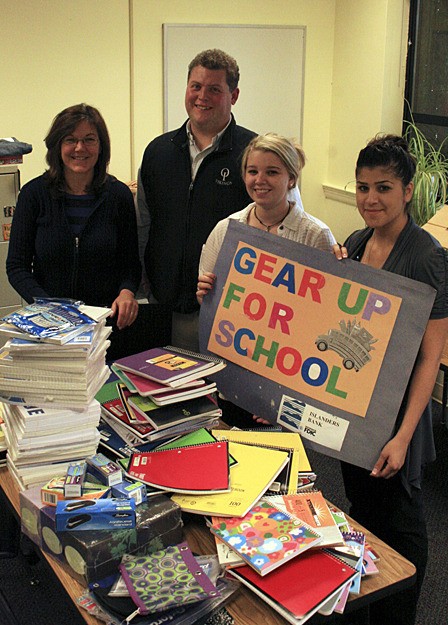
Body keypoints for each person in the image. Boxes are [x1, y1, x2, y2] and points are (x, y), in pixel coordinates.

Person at [333, 134, 448, 625]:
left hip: (400, 415)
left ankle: (400, 614)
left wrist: (403, 436)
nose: (370, 199)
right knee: (363, 511)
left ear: (408, 191)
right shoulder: (358, 242)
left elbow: (430, 357)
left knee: (405, 526)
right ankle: (366, 606)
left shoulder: (425, 256)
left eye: (383, 187)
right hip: (360, 409)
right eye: (362, 188)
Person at [197, 132, 336, 427]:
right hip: (235, 368)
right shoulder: (226, 230)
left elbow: (324, 319)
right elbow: (209, 300)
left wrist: (287, 393)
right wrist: (205, 292)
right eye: (252, 171)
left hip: (290, 375)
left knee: (281, 461)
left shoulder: (314, 235)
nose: (260, 180)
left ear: (291, 178)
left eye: (272, 172)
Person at [138, 48, 256, 352]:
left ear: (234, 95)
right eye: (196, 86)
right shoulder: (158, 152)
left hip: (228, 311)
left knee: (215, 395)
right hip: (162, 304)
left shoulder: (254, 153)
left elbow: (281, 222)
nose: (202, 96)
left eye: (214, 89)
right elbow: (143, 223)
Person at [6, 103, 141, 360]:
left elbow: (130, 264)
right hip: (49, 331)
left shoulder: (119, 196)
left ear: (101, 147)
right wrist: (50, 308)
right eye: (71, 140)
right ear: (58, 146)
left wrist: (127, 293)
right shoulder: (34, 195)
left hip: (106, 330)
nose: (80, 148)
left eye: (89, 139)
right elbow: (17, 266)